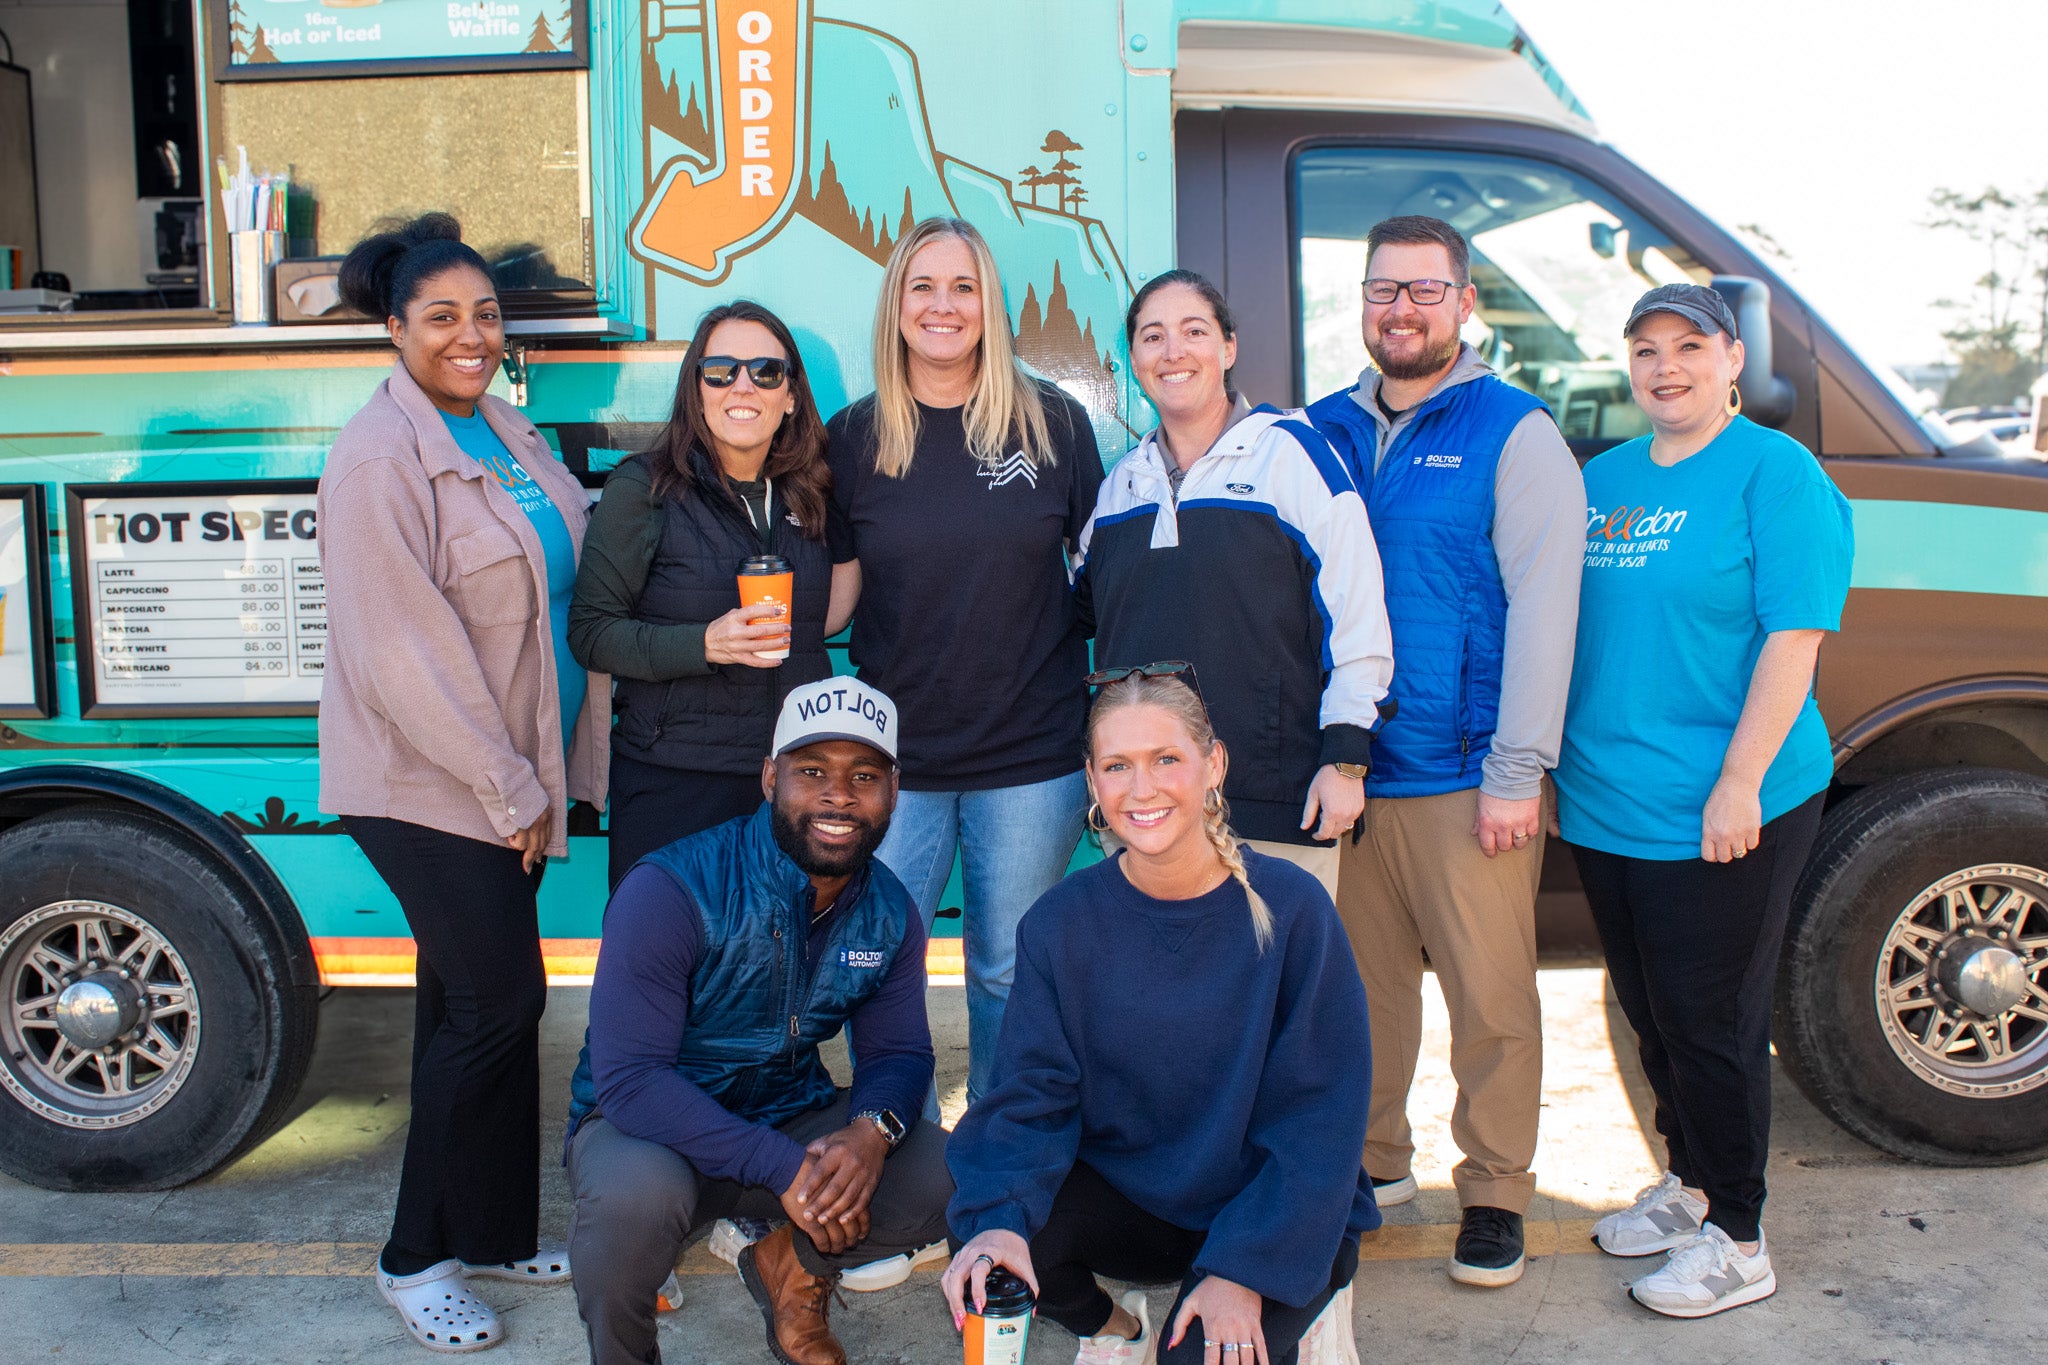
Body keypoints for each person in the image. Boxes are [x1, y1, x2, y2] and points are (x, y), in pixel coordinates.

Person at [319, 212, 608, 1352]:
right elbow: (406, 657)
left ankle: (486, 1233)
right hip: (427, 784)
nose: (470, 335)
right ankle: (411, 1258)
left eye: (485, 315)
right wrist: (514, 792)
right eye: (441, 317)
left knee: (464, 1004)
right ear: (394, 329)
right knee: (498, 1007)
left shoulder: (497, 428)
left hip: (501, 778)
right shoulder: (377, 458)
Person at [1555, 283, 1852, 1318]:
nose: (1664, 366)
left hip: (1723, 804)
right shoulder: (1602, 479)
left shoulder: (1775, 473)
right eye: (1644, 349)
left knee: (1711, 1020)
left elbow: (1792, 637)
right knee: (1648, 1012)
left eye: (1688, 345)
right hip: (1604, 800)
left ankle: (1736, 1232)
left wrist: (1736, 785)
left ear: (1731, 358)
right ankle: (1686, 1187)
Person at [1303, 215, 1585, 1288]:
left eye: (1424, 291)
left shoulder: (1515, 431)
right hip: (1350, 771)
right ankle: (1375, 1167)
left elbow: (1545, 610)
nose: (1400, 310)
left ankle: (1497, 1191)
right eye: (1382, 290)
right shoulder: (1319, 428)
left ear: (1463, 303)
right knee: (1362, 997)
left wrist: (1518, 771)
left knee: (1491, 1002)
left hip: (1468, 774)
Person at [942, 669, 1375, 1365]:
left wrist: (1247, 1271)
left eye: (1165, 759)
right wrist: (996, 1223)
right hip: (1141, 1198)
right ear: (1091, 779)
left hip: (1274, 1205)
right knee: (995, 1244)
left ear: (1214, 765)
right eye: (1118, 765)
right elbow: (1030, 1095)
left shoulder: (1293, 910)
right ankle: (1118, 1331)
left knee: (1205, 1354)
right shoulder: (1061, 922)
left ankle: (1312, 1306)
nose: (1141, 790)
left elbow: (1320, 1121)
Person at [564, 677, 953, 1365]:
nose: (838, 795)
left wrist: (871, 1131)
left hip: (786, 1111)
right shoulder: (672, 887)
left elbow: (898, 1051)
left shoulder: (891, 909)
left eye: (863, 775)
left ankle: (791, 1264)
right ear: (771, 777)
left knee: (957, 1169)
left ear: (894, 790)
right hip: (652, 1129)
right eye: (812, 772)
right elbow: (630, 1080)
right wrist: (784, 1169)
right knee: (635, 1201)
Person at [826, 216, 1103, 1103]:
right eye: (922, 286)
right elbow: (832, 602)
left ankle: (996, 1157)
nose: (942, 306)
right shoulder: (854, 438)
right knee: (881, 969)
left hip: (1031, 758)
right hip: (894, 764)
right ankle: (893, 1145)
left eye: (963, 287)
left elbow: (1106, 578)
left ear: (990, 305)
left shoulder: (1054, 424)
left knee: (1005, 973)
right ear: (895, 305)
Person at [1076, 270, 1394, 896]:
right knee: (1159, 991)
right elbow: (1079, 615)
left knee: (1274, 988)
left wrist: (1345, 759)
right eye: (1152, 336)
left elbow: (1357, 616)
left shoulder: (1294, 456)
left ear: (1228, 348)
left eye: (1194, 331)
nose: (1173, 352)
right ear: (1133, 359)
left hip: (1274, 803)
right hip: (1148, 811)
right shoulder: (1121, 487)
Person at [570, 300, 858, 887]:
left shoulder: (812, 492)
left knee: (781, 961)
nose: (742, 386)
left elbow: (827, 615)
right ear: (696, 389)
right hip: (676, 778)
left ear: (792, 396)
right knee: (668, 963)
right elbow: (591, 633)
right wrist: (707, 644)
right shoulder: (644, 488)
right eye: (720, 370)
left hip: (790, 780)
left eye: (765, 371)